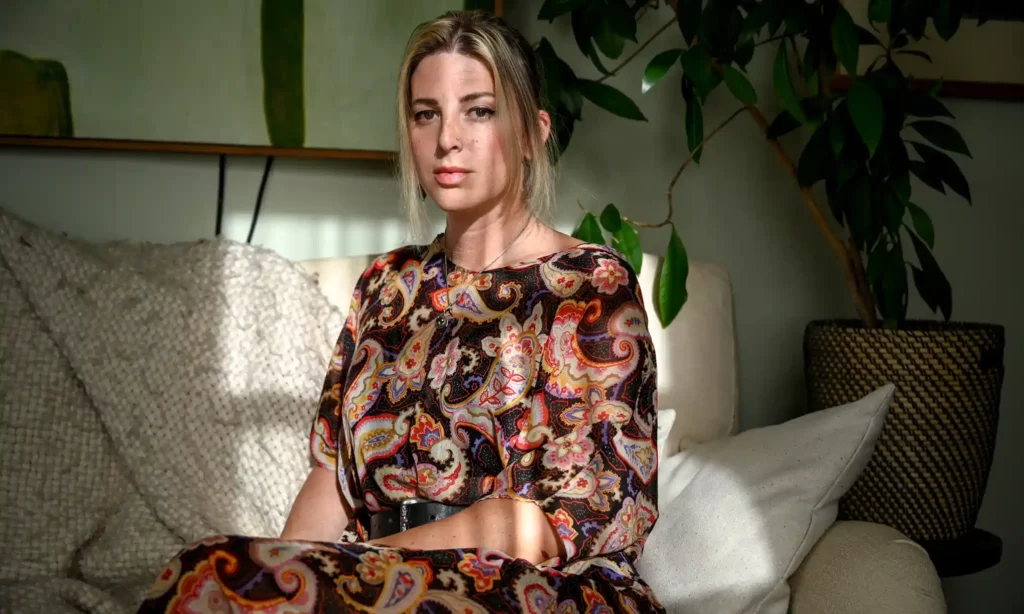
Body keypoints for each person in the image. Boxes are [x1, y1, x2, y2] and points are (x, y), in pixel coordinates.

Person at [137, 10, 662, 613]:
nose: (447, 139)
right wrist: (280, 580)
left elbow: (555, 522)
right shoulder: (385, 286)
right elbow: (333, 480)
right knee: (207, 572)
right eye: (426, 113)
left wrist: (367, 567)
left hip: (539, 587)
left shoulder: (588, 285)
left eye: (479, 110)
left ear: (531, 133)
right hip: (383, 581)